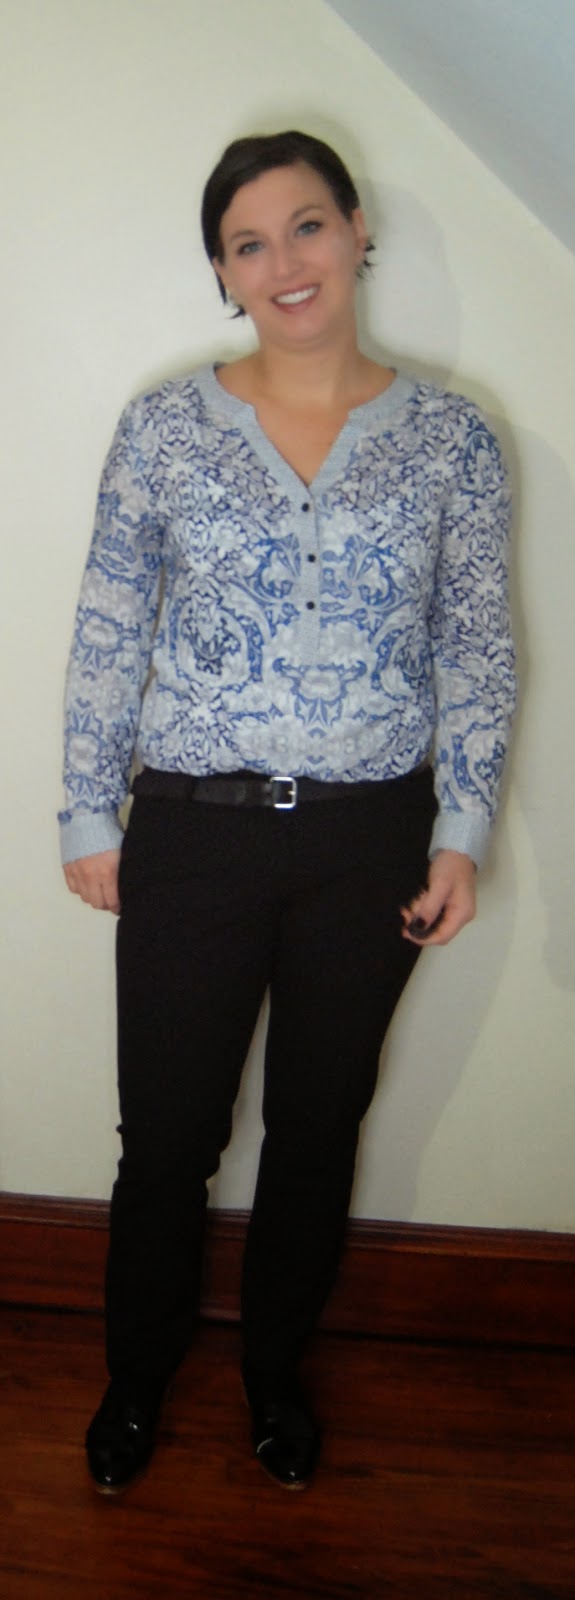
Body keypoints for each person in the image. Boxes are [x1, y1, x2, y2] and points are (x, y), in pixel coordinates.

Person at [60, 129, 516, 1495]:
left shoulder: (454, 441)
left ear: (359, 231)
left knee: (319, 1131)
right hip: (193, 832)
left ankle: (274, 1378)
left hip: (369, 840)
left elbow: (478, 646)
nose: (284, 262)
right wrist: (88, 814)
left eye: (306, 225)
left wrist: (464, 830)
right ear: (224, 273)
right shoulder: (163, 430)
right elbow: (107, 630)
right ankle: (137, 1380)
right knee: (168, 1140)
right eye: (248, 244)